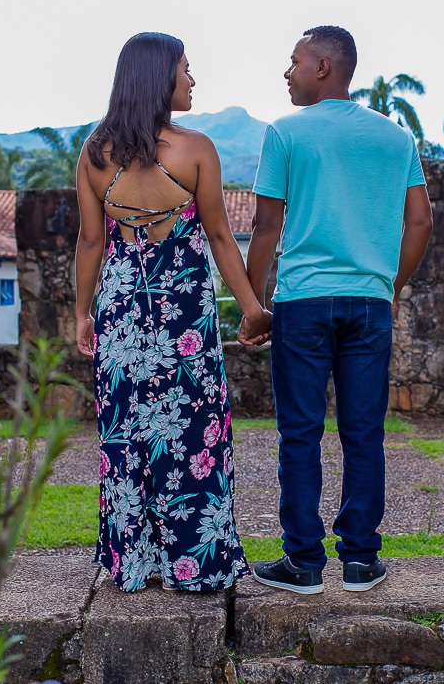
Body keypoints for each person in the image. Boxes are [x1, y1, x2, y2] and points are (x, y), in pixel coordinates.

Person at [75, 32, 272, 592]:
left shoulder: (93, 152)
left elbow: (91, 243)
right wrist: (253, 311)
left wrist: (82, 314)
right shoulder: (196, 150)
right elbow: (219, 237)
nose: (192, 79)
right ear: (161, 78)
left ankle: (135, 560)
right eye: (187, 69)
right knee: (192, 432)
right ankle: (198, 559)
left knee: (128, 432)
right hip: (183, 314)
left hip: (121, 312)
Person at [241, 25, 433, 594]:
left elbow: (266, 226)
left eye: (294, 61)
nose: (287, 72)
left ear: (323, 67)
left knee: (299, 433)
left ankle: (303, 563)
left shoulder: (285, 133)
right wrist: (389, 286)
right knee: (364, 432)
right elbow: (420, 222)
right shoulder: (397, 139)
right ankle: (359, 559)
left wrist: (252, 305)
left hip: (302, 302)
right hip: (369, 303)